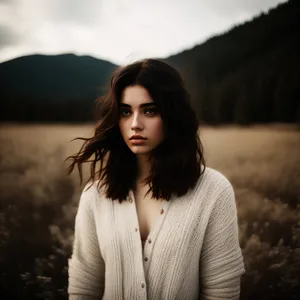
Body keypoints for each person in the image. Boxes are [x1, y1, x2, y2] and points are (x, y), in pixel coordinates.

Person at [66, 58, 246, 300]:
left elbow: (221, 292)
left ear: (172, 115)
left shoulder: (213, 191)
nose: (135, 124)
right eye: (126, 112)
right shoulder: (96, 194)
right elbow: (84, 287)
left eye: (150, 111)